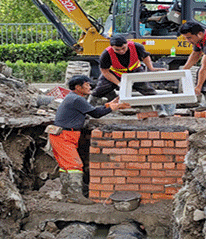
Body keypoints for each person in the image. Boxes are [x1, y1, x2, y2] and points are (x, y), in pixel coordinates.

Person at [49, 75, 128, 204]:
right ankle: (75, 196)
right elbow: (96, 113)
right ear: (78, 87)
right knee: (75, 165)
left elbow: (94, 109)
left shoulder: (74, 97)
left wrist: (114, 103)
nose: (90, 87)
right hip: (64, 136)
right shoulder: (76, 99)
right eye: (87, 84)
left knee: (66, 166)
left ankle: (67, 193)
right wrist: (115, 107)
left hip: (63, 136)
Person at [89, 35, 167, 113]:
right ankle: (88, 110)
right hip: (116, 73)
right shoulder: (106, 54)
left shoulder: (137, 47)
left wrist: (151, 68)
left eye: (123, 48)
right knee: (99, 90)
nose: (121, 51)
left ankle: (160, 110)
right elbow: (105, 71)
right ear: (112, 47)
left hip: (135, 71)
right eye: (117, 50)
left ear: (127, 43)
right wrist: (119, 83)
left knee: (147, 89)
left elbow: (145, 56)